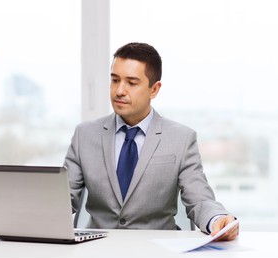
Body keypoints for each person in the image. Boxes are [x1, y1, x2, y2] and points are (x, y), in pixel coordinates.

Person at [64, 42, 238, 241]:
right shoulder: (84, 135)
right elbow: (62, 201)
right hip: (98, 250)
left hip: (159, 251)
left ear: (154, 89)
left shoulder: (181, 139)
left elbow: (199, 200)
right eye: (115, 80)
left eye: (131, 82)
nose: (119, 90)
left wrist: (218, 219)